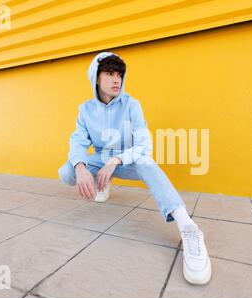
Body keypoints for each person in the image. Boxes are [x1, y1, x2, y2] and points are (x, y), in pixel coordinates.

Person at [58, 51, 211, 285]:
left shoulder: (131, 105)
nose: (116, 79)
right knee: (67, 171)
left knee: (146, 160)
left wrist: (116, 160)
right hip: (102, 160)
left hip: (127, 161)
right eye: (109, 73)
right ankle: (103, 181)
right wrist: (80, 166)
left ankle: (188, 227)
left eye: (119, 74)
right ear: (96, 78)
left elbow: (144, 145)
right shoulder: (85, 110)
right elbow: (77, 141)